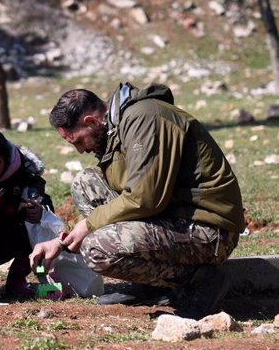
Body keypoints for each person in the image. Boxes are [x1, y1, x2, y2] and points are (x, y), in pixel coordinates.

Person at [30, 82, 245, 319]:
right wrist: (61, 242)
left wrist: (89, 225)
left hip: (209, 230)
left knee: (96, 249)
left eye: (78, 141)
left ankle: (201, 281)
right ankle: (154, 284)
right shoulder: (117, 127)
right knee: (86, 183)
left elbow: (145, 198)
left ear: (91, 122)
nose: (81, 150)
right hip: (173, 216)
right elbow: (130, 195)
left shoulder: (144, 119)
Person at [0, 123, 53, 297]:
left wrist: (39, 211)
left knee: (38, 227)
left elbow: (39, 200)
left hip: (15, 233)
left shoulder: (24, 174)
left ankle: (23, 279)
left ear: (5, 157)